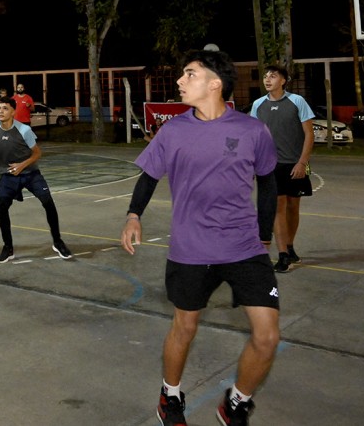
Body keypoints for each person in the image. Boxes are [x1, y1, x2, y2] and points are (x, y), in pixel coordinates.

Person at [120, 49, 279, 426]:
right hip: (191, 248)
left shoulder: (252, 130)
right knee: (185, 327)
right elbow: (149, 176)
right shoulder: (173, 130)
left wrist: (264, 235)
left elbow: (268, 182)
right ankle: (170, 395)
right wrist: (133, 215)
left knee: (267, 337)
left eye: (189, 74)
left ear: (215, 83)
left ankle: (237, 402)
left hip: (243, 247)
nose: (180, 80)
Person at [0, 97, 71, 262]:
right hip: (8, 175)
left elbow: (37, 153)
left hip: (31, 173)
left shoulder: (24, 130)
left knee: (48, 202)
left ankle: (58, 241)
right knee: (2, 207)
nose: (1, 111)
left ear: (13, 112)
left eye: (5, 108)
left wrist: (22, 165)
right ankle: (8, 247)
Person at [250, 64, 315, 274]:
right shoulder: (258, 105)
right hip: (270, 166)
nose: (267, 79)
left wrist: (302, 162)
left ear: (283, 80)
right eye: (265, 76)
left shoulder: (297, 101)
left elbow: (309, 134)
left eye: (273, 76)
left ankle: (290, 245)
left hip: (295, 164)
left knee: (293, 207)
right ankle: (283, 255)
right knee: (277, 207)